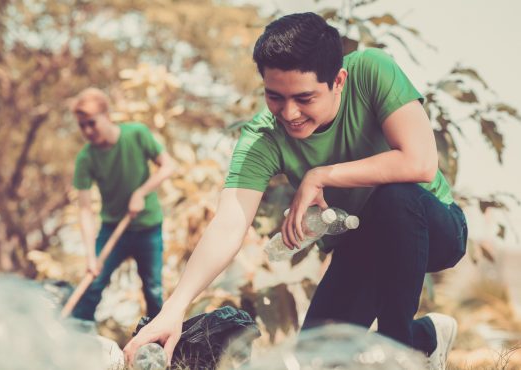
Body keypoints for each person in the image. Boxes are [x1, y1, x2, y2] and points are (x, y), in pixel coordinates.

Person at [123, 13, 467, 370]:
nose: (289, 113)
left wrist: (320, 176)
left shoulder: (371, 70)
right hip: (361, 247)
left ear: (338, 81)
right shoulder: (263, 137)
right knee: (314, 360)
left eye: (304, 98)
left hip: (433, 228)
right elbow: (229, 224)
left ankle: (400, 356)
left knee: (395, 197)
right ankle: (426, 337)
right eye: (275, 97)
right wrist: (174, 309)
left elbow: (420, 161)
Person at [70, 87, 175, 321]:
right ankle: (77, 340)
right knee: (92, 286)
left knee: (153, 291)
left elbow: (168, 166)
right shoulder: (86, 158)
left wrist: (141, 192)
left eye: (91, 123)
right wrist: (90, 255)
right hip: (112, 230)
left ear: (106, 115)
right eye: (82, 125)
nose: (87, 130)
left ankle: (157, 349)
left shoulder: (136, 134)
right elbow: (85, 210)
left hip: (148, 227)